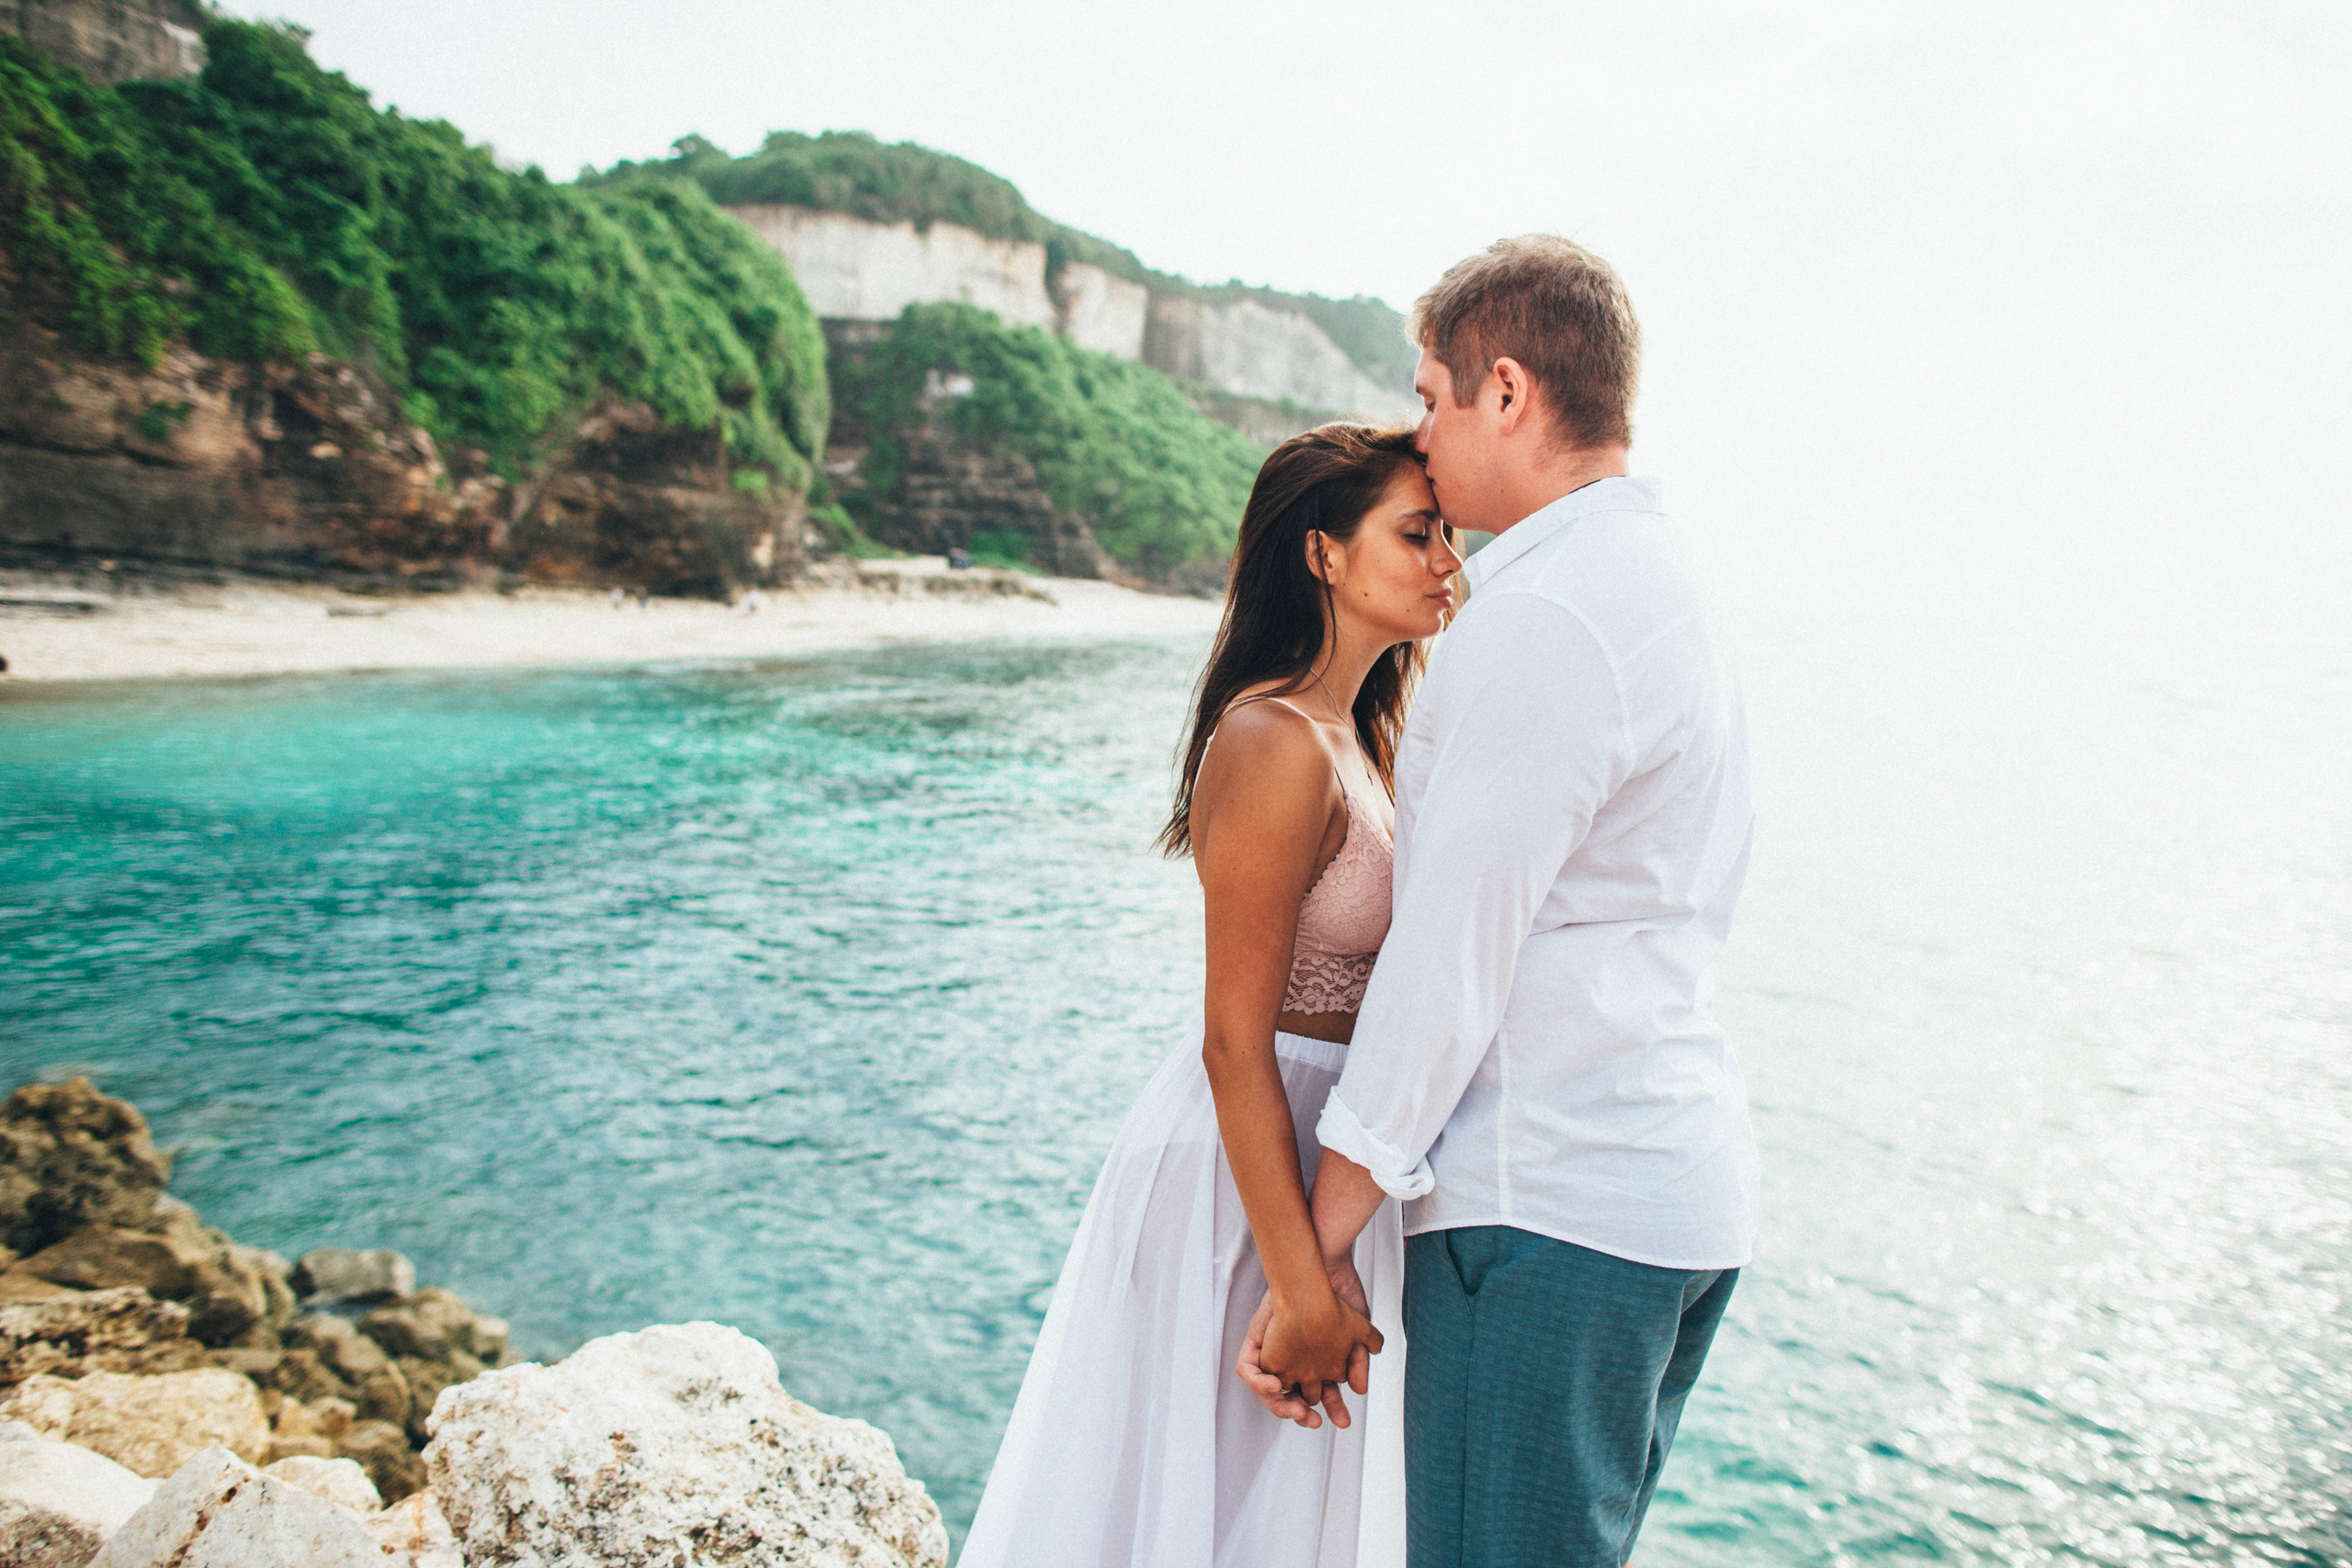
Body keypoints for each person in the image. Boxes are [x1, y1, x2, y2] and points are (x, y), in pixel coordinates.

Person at [1241, 235, 1758, 1566]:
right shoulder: (1659, 582)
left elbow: (1447, 967)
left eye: (1433, 395)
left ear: (1511, 392)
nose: (1422, 431)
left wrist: (1315, 1256)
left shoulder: (1546, 617)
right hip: (1660, 1185)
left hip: (1551, 1211)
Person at [959, 423, 1464, 1568]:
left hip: (1326, 1165)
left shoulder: (1361, 743)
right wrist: (1302, 1284)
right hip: (1243, 1171)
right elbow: (1234, 1043)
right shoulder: (1272, 736)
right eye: (1417, 531)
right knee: (1185, 1509)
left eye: (1450, 534)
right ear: (1324, 553)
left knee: (1265, 1521)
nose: (1449, 561)